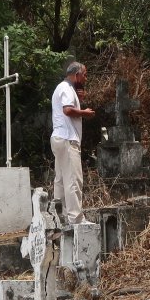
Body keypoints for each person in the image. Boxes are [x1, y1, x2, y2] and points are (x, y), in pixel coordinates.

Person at [51, 61, 93, 225]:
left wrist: (79, 100)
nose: (86, 78)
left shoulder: (62, 88)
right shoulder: (67, 88)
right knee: (73, 180)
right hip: (68, 139)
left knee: (61, 179)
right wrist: (85, 112)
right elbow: (67, 110)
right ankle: (76, 219)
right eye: (85, 75)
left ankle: (58, 217)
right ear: (76, 75)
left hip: (59, 138)